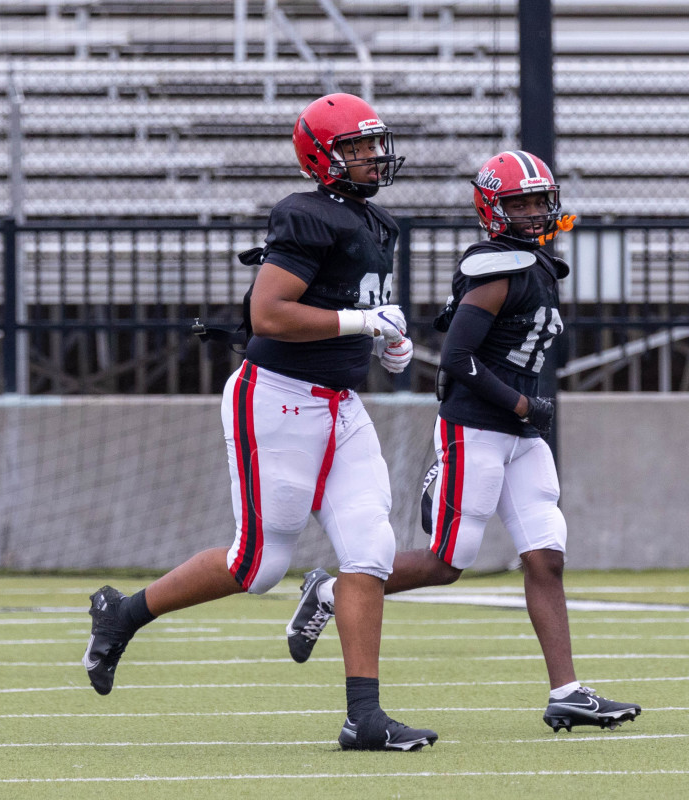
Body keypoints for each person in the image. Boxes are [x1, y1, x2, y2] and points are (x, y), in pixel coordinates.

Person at [82, 93, 438, 752]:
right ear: (320, 157)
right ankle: (121, 615)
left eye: (372, 145)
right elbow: (269, 314)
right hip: (275, 399)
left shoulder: (377, 223)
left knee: (371, 550)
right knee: (259, 564)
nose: (371, 156)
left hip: (341, 406)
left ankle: (365, 717)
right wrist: (364, 322)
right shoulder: (303, 215)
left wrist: (389, 345)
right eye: (355, 147)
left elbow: (358, 308)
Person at [284, 150, 641, 733]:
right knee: (448, 563)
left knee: (545, 556)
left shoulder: (533, 263)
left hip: (520, 434)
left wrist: (524, 414)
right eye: (518, 203)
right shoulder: (496, 270)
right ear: (493, 210)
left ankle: (568, 692)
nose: (531, 213)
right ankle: (327, 592)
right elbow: (456, 358)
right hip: (476, 426)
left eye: (537, 201)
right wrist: (521, 402)